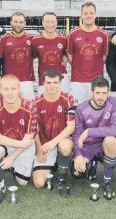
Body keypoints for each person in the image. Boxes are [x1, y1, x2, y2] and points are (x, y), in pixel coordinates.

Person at [0, 75, 37, 205]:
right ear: (1, 90)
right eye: (6, 89)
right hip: (6, 143)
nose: (9, 93)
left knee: (23, 183)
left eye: (13, 89)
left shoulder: (30, 107)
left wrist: (12, 157)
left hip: (23, 147)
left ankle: (11, 167)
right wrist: (18, 144)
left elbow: (28, 138)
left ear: (19, 89)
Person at [71, 77, 116, 200]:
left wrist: (89, 131)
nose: (101, 96)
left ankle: (107, 181)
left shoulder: (114, 103)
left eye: (104, 93)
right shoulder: (81, 109)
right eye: (97, 93)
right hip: (88, 146)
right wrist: (78, 155)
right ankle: (91, 163)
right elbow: (77, 134)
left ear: (108, 92)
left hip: (104, 145)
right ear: (91, 92)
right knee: (77, 172)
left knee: (111, 140)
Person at [32, 69, 75, 197]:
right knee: (39, 183)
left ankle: (61, 178)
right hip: (46, 146)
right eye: (49, 82)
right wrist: (39, 148)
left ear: (60, 83)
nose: (52, 86)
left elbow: (71, 127)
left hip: (61, 141)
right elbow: (35, 129)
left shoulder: (68, 99)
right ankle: (56, 164)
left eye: (55, 82)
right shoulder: (36, 102)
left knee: (65, 146)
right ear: (43, 83)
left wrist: (53, 142)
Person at [67, 2, 109, 104]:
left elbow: (104, 57)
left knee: (96, 111)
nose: (88, 15)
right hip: (77, 81)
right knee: (77, 110)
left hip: (96, 81)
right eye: (85, 13)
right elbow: (70, 56)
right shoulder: (72, 34)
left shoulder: (104, 35)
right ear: (81, 15)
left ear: (95, 14)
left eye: (91, 13)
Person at [0, 12, 35, 99]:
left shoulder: (32, 38)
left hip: (26, 82)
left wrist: (63, 55)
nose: (18, 25)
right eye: (15, 21)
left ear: (25, 23)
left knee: (28, 108)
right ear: (11, 22)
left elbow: (44, 49)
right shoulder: (3, 38)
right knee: (8, 110)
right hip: (8, 81)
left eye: (21, 22)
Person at [31, 12, 70, 95]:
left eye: (52, 22)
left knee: (65, 105)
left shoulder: (64, 39)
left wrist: (66, 57)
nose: (50, 24)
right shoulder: (35, 40)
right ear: (42, 23)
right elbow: (31, 57)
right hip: (44, 80)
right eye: (47, 22)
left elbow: (70, 55)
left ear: (56, 22)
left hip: (61, 79)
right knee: (44, 106)